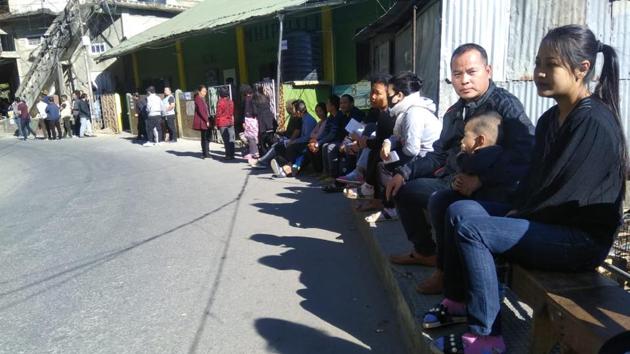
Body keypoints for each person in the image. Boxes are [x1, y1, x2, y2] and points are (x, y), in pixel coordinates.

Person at [425, 25, 626, 354]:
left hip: (578, 239)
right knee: (458, 209)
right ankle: (458, 302)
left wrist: (519, 212)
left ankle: (486, 339)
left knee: (474, 230)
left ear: (582, 69)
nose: (540, 73)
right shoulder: (550, 119)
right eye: (538, 63)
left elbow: (570, 196)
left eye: (552, 65)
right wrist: (518, 208)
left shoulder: (593, 121)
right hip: (546, 222)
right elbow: (535, 180)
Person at [386, 43, 534, 267]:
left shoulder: (506, 106)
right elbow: (439, 155)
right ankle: (425, 252)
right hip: (452, 181)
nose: (464, 80)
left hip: (493, 189)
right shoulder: (455, 112)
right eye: (457, 74)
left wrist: (480, 180)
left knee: (443, 203)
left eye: (471, 72)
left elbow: (525, 153)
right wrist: (404, 172)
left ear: (488, 71)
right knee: (404, 190)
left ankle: (447, 271)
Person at [421, 111, 508, 294]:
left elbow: (467, 165)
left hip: (489, 207)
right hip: (476, 200)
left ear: (480, 140)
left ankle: (457, 288)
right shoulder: (487, 153)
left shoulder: (488, 153)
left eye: (465, 137)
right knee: (440, 200)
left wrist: (461, 155)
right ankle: (444, 270)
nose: (461, 142)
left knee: (455, 212)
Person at [348, 72, 442, 223]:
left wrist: (391, 154)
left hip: (428, 160)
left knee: (389, 164)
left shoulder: (414, 113)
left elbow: (412, 149)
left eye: (389, 93)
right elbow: (397, 135)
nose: (388, 97)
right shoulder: (405, 111)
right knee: (383, 160)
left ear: (398, 96)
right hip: (418, 154)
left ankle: (391, 208)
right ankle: (384, 201)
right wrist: (388, 143)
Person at [268, 100, 317, 177]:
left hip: (307, 144)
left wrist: (294, 141)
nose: (292, 111)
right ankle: (285, 170)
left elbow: (307, 137)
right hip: (304, 143)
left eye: (293, 109)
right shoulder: (303, 118)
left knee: (295, 149)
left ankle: (286, 170)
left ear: (298, 111)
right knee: (287, 146)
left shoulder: (308, 120)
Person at [252, 86, 276, 156]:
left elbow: (255, 112)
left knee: (262, 141)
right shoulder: (267, 98)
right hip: (270, 119)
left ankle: (264, 156)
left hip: (262, 122)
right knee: (271, 138)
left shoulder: (254, 100)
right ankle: (273, 154)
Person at [215, 87, 236, 160]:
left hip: (222, 122)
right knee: (231, 139)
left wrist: (217, 124)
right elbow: (232, 112)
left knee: (226, 140)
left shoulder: (220, 102)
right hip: (230, 121)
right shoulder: (231, 101)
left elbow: (218, 114)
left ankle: (228, 155)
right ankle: (232, 154)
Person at [193, 85, 211, 159]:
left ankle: (206, 152)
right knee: (204, 138)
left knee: (206, 137)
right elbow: (201, 111)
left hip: (204, 120)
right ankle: (205, 153)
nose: (205, 93)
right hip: (202, 121)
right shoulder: (198, 99)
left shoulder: (201, 98)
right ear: (199, 91)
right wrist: (206, 120)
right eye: (203, 91)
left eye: (205, 91)